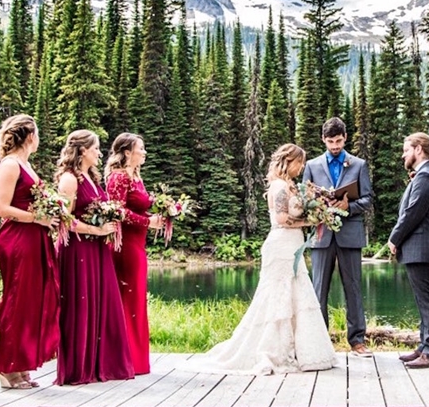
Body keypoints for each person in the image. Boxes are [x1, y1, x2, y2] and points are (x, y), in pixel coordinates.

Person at [196, 144, 336, 374]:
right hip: (281, 245)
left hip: (292, 245)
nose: (301, 168)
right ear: (288, 161)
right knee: (278, 295)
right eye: (299, 162)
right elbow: (281, 218)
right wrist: (311, 222)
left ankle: (302, 350)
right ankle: (276, 350)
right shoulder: (280, 187)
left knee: (296, 292)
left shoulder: (289, 185)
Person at [55, 130, 133, 385]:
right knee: (80, 305)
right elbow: (64, 220)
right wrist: (96, 229)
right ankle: (79, 368)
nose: (100, 152)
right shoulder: (69, 180)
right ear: (83, 150)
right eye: (96, 148)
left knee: (102, 303)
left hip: (97, 250)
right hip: (77, 250)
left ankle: (103, 363)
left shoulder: (90, 177)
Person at [0, 114, 59, 389]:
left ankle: (22, 364)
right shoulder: (10, 165)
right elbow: (1, 208)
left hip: (35, 238)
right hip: (18, 239)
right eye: (38, 134)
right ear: (30, 136)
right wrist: (38, 219)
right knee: (17, 299)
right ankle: (8, 367)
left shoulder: (26, 164)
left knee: (32, 302)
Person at [303, 116, 375, 357]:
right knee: (318, 289)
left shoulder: (359, 165)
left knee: (353, 287)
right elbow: (305, 200)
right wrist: (319, 205)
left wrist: (348, 207)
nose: (335, 146)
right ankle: (319, 341)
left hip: (350, 234)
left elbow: (367, 199)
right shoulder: (312, 166)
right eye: (331, 141)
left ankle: (357, 341)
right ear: (323, 139)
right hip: (322, 235)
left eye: (339, 141)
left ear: (346, 138)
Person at [105, 132, 164, 376]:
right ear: (127, 152)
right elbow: (117, 212)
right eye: (141, 148)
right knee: (127, 298)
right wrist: (147, 222)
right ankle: (122, 360)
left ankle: (136, 359)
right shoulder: (118, 178)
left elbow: (138, 205)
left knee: (136, 298)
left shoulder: (136, 177)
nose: (145, 152)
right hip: (124, 245)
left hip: (137, 244)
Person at [387, 132, 429, 369]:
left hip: (420, 247)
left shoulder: (426, 177)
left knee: (428, 299)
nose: (404, 154)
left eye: (406, 149)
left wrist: (394, 238)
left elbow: (413, 213)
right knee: (424, 299)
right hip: (416, 247)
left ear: (418, 149)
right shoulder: (425, 175)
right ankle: (424, 346)